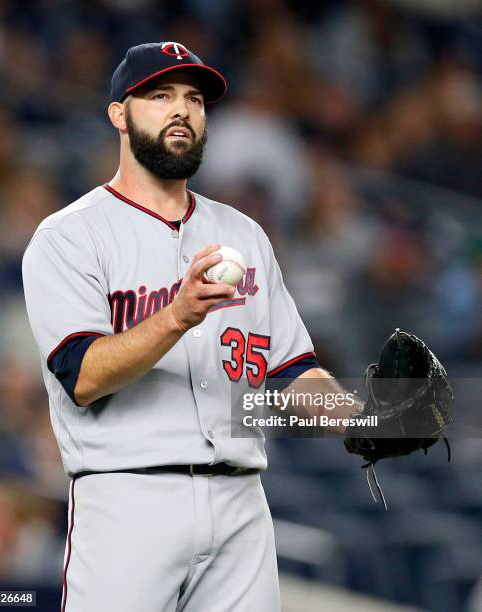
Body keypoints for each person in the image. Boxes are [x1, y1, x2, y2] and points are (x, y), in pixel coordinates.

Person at [22, 42, 360, 612]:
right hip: (128, 496)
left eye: (194, 99)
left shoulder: (246, 236)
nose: (182, 110)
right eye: (160, 96)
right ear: (119, 115)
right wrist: (177, 315)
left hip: (241, 504)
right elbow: (81, 375)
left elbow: (291, 373)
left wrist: (366, 419)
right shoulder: (69, 237)